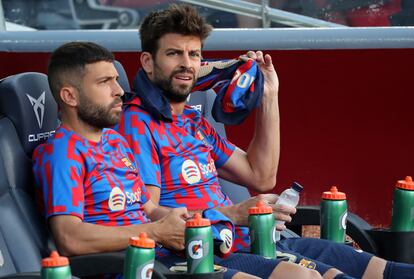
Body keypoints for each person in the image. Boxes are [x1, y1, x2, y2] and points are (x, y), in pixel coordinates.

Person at [115, 4, 414, 279]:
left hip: (250, 238)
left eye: (194, 54)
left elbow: (261, 175)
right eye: (174, 53)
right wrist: (232, 214)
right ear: (148, 62)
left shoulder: (194, 122)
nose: (187, 63)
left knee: (389, 272)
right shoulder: (136, 122)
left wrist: (269, 96)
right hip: (195, 254)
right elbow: (148, 214)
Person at [32, 41, 322, 279]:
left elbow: (149, 208)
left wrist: (208, 218)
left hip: (169, 254)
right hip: (129, 267)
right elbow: (69, 237)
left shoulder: (116, 143)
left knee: (299, 275)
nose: (119, 91)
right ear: (70, 96)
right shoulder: (62, 153)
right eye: (104, 82)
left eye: (116, 81)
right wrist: (157, 231)